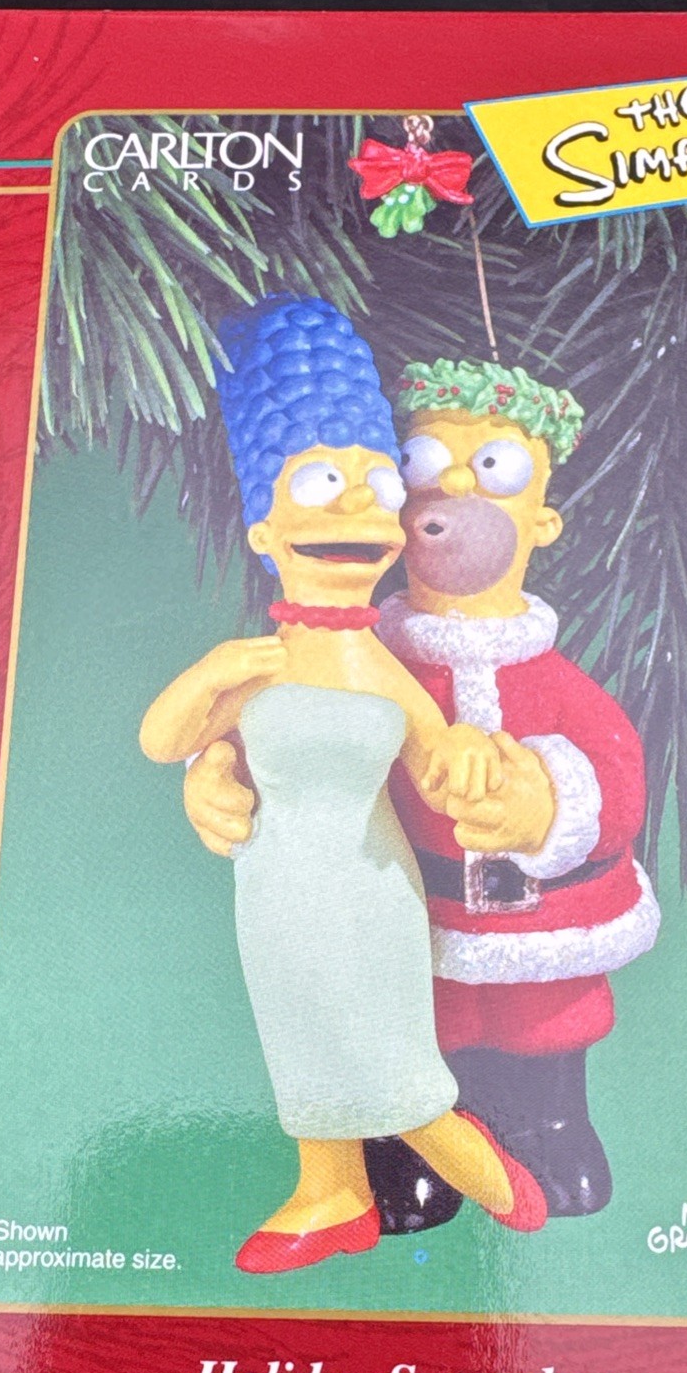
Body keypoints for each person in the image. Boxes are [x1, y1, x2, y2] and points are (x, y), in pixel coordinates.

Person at [185, 355, 659, 1226]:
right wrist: (220, 775)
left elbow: (617, 773)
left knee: (543, 1023)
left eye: (493, 471)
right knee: (404, 1026)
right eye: (424, 469)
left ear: (543, 520)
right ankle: (402, 1151)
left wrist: (548, 802)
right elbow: (288, 726)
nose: (452, 500)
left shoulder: (555, 684)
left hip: (539, 927)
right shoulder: (354, 658)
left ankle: (551, 1125)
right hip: (403, 918)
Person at [140, 301, 546, 1275]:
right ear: (263, 527)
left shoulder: (378, 664)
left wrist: (469, 764)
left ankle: (454, 1142)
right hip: (272, 889)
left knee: (373, 1030)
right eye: (324, 484)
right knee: (298, 1028)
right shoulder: (260, 660)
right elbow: (164, 741)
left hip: (371, 889)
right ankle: (331, 1192)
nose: (357, 512)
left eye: (377, 487)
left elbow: (435, 757)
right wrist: (211, 706)